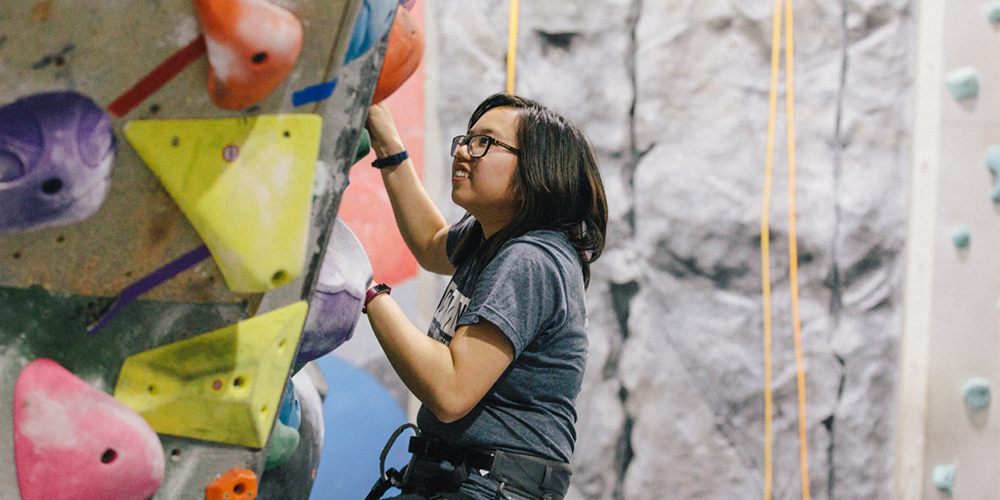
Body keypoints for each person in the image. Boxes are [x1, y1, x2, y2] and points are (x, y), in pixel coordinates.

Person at [361, 93, 607, 500]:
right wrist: (387, 143)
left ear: (537, 169)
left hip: (490, 485)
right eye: (466, 138)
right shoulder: (490, 237)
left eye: (485, 142)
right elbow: (430, 243)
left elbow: (451, 390)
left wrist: (365, 291)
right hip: (463, 476)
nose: (463, 150)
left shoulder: (530, 258)